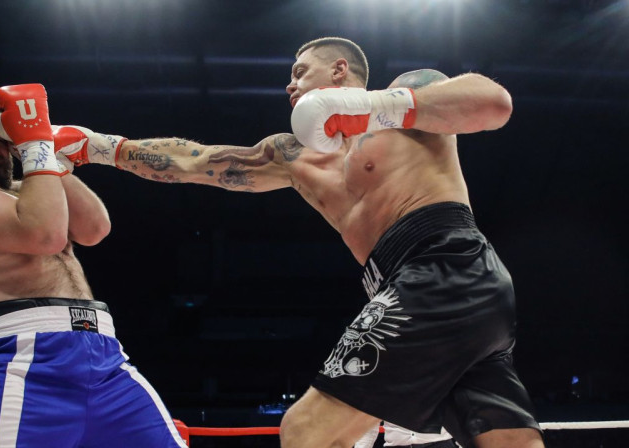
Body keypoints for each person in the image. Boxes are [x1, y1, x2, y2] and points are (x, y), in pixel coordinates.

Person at [51, 37, 544, 447]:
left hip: (444, 264)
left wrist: (374, 109)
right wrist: (97, 146)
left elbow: (494, 104)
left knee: (306, 432)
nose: (289, 83)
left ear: (339, 70)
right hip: (417, 289)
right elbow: (195, 162)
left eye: (300, 71)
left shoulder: (409, 100)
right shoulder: (292, 156)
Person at [0, 85, 187, 448]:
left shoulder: (29, 188)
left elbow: (95, 229)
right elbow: (44, 236)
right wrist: (35, 149)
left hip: (105, 353)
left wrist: (40, 144)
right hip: (26, 358)